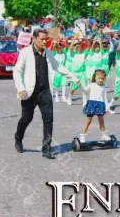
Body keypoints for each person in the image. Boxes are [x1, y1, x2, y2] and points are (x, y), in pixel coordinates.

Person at [13, 29, 80, 159]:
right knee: (26, 119)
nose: (44, 42)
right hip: (30, 92)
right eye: (41, 39)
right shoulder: (25, 53)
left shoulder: (48, 53)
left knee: (48, 120)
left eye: (46, 39)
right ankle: (18, 138)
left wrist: (73, 78)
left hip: (45, 92)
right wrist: (20, 88)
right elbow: (17, 71)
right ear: (34, 39)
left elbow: (58, 67)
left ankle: (46, 148)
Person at [79, 69, 110, 143]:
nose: (100, 80)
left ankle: (103, 135)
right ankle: (82, 135)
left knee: (101, 121)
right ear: (95, 77)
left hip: (100, 104)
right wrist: (80, 86)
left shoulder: (103, 87)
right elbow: (85, 91)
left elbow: (105, 97)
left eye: (102, 78)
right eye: (99, 78)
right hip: (92, 104)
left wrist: (107, 106)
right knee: (88, 121)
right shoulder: (91, 85)